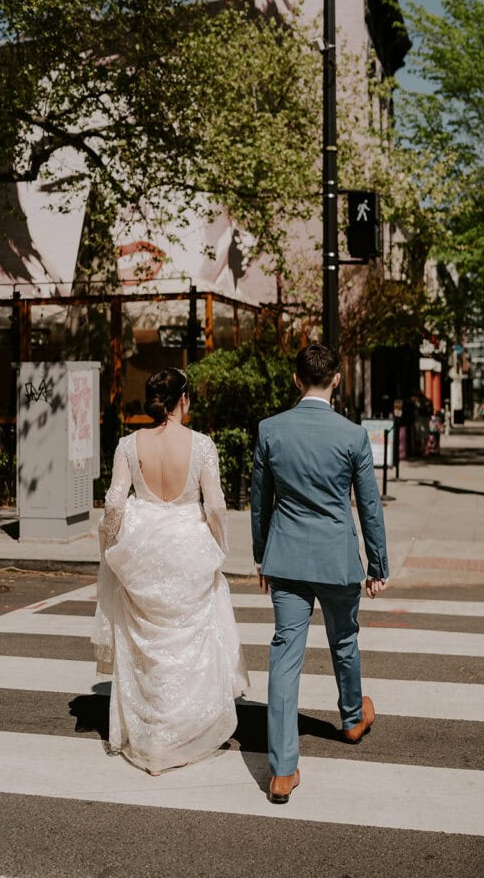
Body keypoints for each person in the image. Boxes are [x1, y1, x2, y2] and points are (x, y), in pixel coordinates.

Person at [91, 367, 249, 776]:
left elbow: (113, 503)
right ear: (182, 399)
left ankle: (150, 734)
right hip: (185, 545)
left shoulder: (128, 444)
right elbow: (214, 505)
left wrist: (112, 547)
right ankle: (187, 729)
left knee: (146, 645)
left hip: (144, 548)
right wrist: (218, 543)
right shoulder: (201, 445)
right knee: (188, 640)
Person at [251, 344, 389, 805]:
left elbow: (260, 502)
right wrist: (378, 566)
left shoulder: (271, 430)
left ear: (295, 379)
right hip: (335, 558)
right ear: (337, 379)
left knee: (284, 656)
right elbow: (369, 506)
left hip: (286, 558)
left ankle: (283, 770)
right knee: (344, 641)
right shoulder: (353, 436)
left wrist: (260, 556)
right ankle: (352, 719)